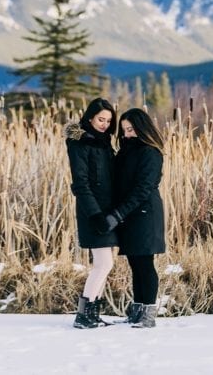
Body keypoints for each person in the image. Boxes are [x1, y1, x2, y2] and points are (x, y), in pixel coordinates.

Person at [97, 107, 166, 329]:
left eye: (131, 129)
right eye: (124, 130)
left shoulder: (150, 152)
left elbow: (143, 189)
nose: (127, 134)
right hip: (129, 214)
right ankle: (137, 311)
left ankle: (149, 314)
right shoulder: (125, 152)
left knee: (145, 263)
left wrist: (118, 214)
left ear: (142, 128)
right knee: (135, 263)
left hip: (145, 214)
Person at [65, 97, 118, 329]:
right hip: (92, 211)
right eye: (100, 119)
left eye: (108, 120)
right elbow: (81, 183)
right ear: (89, 117)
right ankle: (84, 315)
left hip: (106, 210)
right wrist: (95, 214)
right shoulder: (79, 141)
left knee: (105, 263)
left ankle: (92, 313)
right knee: (104, 263)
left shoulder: (104, 142)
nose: (105, 124)